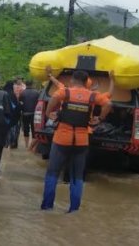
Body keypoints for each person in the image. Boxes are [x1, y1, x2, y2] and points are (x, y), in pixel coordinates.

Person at [41, 70, 111, 212]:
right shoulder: (92, 95)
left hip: (61, 139)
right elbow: (108, 103)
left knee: (52, 172)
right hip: (81, 140)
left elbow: (53, 98)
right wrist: (100, 118)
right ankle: (73, 210)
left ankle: (47, 207)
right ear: (86, 83)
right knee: (77, 176)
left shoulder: (65, 92)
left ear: (72, 80)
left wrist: (48, 113)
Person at [21, 80, 40, 150]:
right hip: (34, 114)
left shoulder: (22, 93)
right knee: (34, 130)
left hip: (25, 114)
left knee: (26, 129)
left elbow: (20, 103)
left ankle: (26, 145)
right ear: (32, 84)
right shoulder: (37, 93)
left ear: (25, 84)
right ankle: (32, 147)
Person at [4, 80, 22, 149]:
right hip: (13, 117)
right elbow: (15, 106)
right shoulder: (12, 94)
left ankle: (5, 145)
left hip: (4, 117)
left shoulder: (3, 93)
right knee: (12, 131)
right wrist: (20, 105)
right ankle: (12, 144)